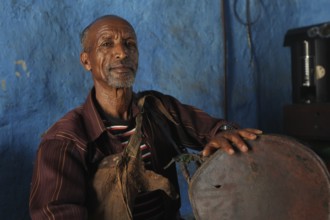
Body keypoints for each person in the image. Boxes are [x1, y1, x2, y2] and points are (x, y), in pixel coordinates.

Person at [29, 14, 262, 220]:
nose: (122, 52)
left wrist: (224, 136)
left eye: (129, 44)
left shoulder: (158, 109)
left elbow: (213, 129)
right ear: (86, 61)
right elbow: (55, 212)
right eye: (107, 44)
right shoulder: (65, 140)